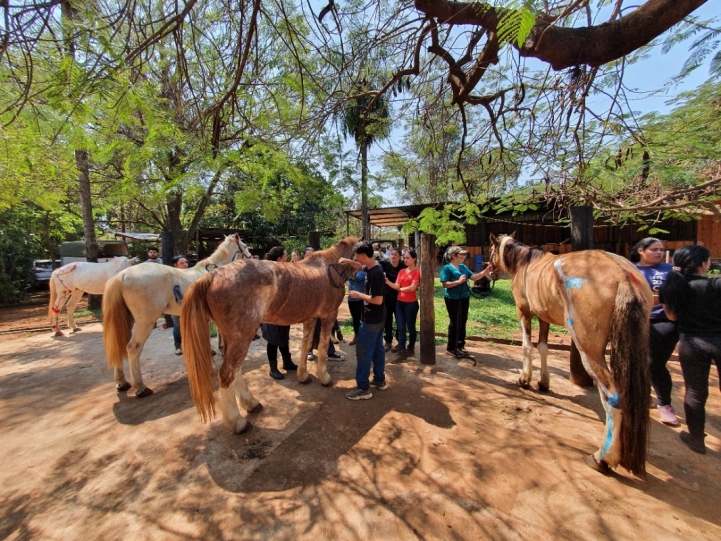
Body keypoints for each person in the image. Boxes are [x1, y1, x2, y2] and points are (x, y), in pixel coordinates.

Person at [660, 245, 721, 454]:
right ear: (704, 264)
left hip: (691, 344)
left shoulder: (672, 287)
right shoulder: (716, 285)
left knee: (695, 393)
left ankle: (696, 440)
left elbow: (671, 317)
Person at [631, 237, 679, 426]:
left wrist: (664, 301)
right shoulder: (629, 269)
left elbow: (678, 294)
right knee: (635, 361)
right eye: (654, 249)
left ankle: (664, 404)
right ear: (641, 250)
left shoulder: (670, 271)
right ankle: (643, 395)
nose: (659, 252)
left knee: (655, 364)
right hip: (635, 320)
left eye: (661, 249)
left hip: (663, 321)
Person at [339, 241, 387, 400]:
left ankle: (363, 388)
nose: (357, 259)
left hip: (372, 318)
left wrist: (358, 295)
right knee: (378, 349)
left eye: (358, 257)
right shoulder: (374, 266)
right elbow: (361, 267)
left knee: (364, 352)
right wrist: (348, 261)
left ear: (365, 256)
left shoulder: (375, 274)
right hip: (379, 317)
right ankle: (379, 379)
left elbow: (377, 300)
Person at [440, 246, 494, 358]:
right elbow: (445, 284)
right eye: (461, 255)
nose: (464, 257)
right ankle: (451, 348)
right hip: (453, 298)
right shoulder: (447, 268)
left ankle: (460, 345)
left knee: (463, 320)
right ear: (453, 256)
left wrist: (485, 271)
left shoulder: (463, 267)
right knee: (455, 321)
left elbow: (474, 277)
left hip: (464, 296)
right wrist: (458, 282)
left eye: (464, 255)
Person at [260, 246, 298, 380]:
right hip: (270, 312)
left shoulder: (282, 270)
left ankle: (287, 362)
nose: (287, 258)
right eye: (285, 256)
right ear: (279, 258)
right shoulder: (268, 271)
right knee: (273, 340)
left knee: (283, 336)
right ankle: (273, 368)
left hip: (282, 312)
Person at [386, 248, 420, 361]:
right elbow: (396, 286)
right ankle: (402, 351)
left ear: (414, 259)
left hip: (411, 304)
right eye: (404, 258)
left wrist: (400, 289)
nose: (405, 260)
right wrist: (386, 281)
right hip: (399, 303)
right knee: (400, 328)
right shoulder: (401, 271)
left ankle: (411, 348)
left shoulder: (417, 272)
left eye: (408, 258)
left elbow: (413, 288)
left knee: (410, 327)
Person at [380, 247, 406, 352]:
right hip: (387, 297)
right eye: (392, 254)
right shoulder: (385, 265)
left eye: (395, 255)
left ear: (400, 257)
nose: (393, 256)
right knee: (387, 319)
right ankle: (388, 341)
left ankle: (400, 341)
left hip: (399, 298)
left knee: (400, 320)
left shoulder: (403, 268)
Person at [170, 255, 189, 355]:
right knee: (178, 326)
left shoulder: (191, 274)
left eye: (186, 262)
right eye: (182, 263)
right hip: (176, 305)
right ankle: (178, 346)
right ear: (175, 265)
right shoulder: (171, 277)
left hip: (190, 306)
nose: (185, 265)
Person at [347, 267, 367, 345]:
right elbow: (346, 277)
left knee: (362, 318)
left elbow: (357, 278)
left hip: (360, 298)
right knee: (355, 318)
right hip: (351, 299)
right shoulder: (351, 270)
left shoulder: (362, 270)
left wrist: (349, 275)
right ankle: (357, 335)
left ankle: (363, 337)